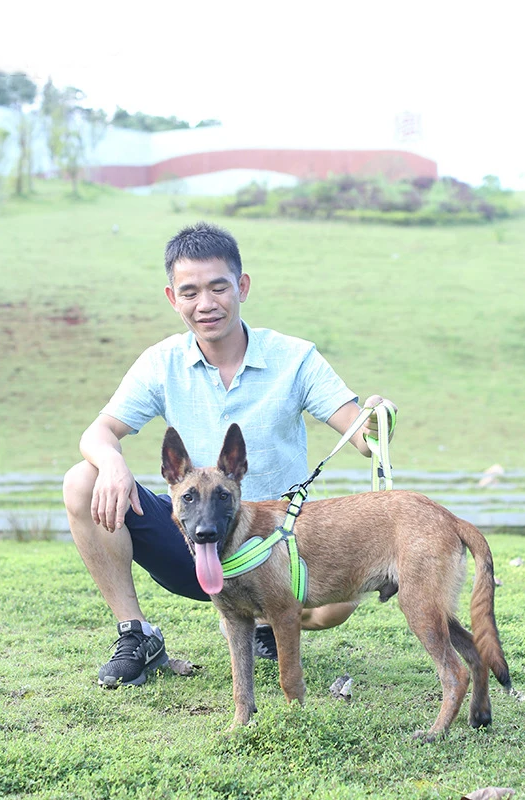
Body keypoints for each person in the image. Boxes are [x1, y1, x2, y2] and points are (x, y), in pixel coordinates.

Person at [63, 221, 397, 688]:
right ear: (172, 298)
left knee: (334, 610)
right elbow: (97, 432)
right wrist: (113, 461)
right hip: (191, 538)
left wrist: (376, 418)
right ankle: (136, 634)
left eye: (218, 287)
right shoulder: (161, 362)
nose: (206, 304)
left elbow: (360, 435)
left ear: (241, 287)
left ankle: (265, 620)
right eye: (190, 291)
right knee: (83, 478)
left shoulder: (295, 358)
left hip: (276, 550)